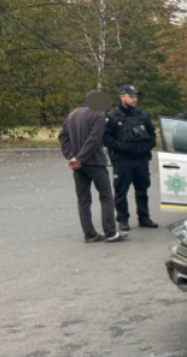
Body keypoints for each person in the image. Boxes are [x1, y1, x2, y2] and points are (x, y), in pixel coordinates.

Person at [59, 91, 127, 243]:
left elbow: (62, 137)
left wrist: (71, 157)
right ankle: (110, 233)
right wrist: (80, 158)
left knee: (83, 200)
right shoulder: (98, 115)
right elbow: (94, 139)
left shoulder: (72, 115)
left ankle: (89, 234)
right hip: (94, 162)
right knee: (106, 196)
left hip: (78, 166)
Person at [104, 85, 158, 231]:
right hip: (123, 160)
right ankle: (122, 219)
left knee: (142, 190)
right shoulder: (113, 116)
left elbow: (152, 133)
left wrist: (148, 146)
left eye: (136, 96)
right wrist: (121, 147)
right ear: (122, 97)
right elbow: (106, 138)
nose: (134, 99)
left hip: (141, 159)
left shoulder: (141, 115)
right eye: (131, 96)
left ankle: (144, 217)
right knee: (121, 191)